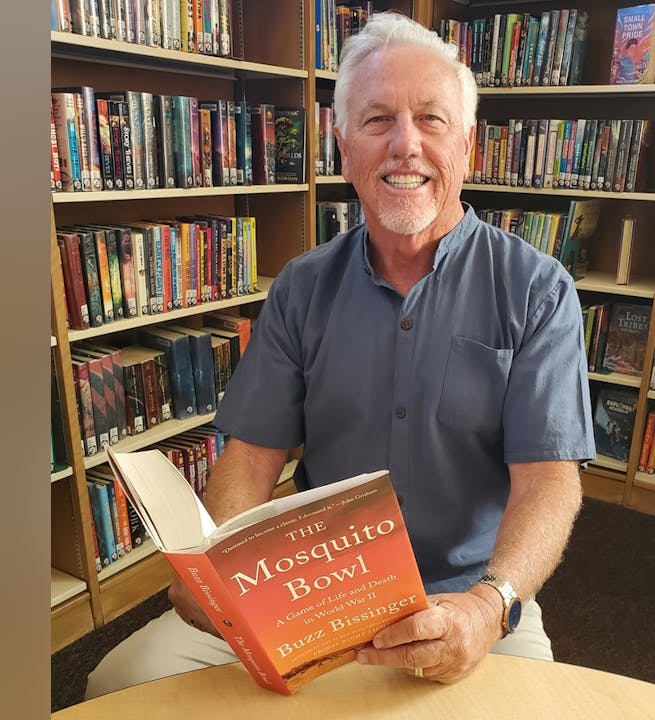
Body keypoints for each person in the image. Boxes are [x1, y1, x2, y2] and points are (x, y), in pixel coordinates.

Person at [86, 12, 594, 698]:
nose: (404, 146)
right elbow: (251, 455)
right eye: (377, 119)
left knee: (547, 712)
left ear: (468, 145)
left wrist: (489, 604)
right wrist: (220, 570)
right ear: (343, 146)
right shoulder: (301, 287)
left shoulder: (537, 291)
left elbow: (549, 483)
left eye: (432, 120)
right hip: (310, 594)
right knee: (117, 684)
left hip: (468, 599)